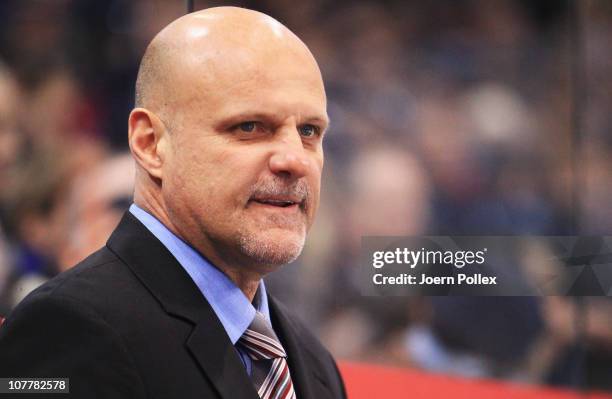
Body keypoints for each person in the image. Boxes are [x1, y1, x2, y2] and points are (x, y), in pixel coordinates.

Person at [0, 7, 346, 399]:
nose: (294, 159)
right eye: (249, 127)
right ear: (150, 144)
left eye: (309, 131)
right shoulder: (65, 330)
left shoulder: (313, 363)